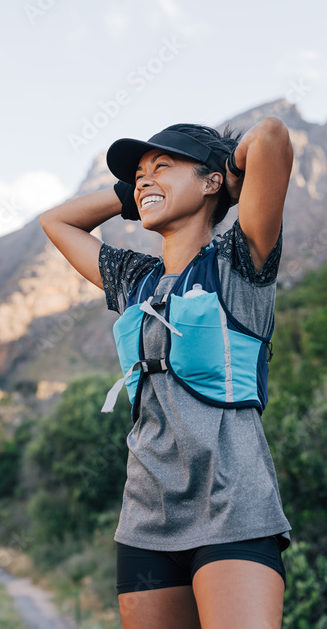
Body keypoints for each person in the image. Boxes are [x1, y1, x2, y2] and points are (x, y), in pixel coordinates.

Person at [40, 117, 294, 628]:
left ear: (211, 181)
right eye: (138, 174)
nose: (143, 179)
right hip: (146, 520)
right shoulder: (135, 279)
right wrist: (134, 193)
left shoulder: (239, 263)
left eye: (163, 166)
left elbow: (270, 137)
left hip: (234, 509)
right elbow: (57, 223)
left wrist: (227, 165)